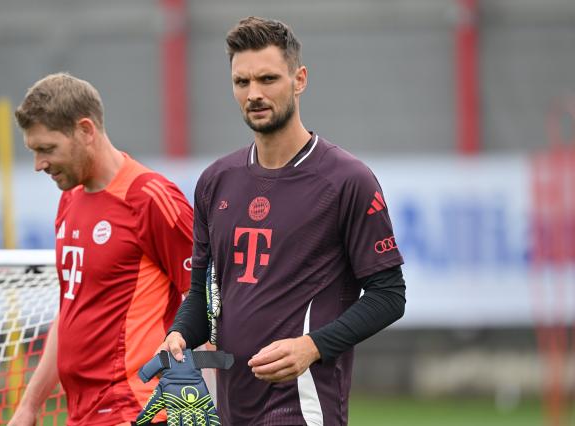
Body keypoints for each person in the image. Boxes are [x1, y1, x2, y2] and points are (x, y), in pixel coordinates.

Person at [159, 17, 407, 425]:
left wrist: (312, 346)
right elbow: (203, 294)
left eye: (268, 79)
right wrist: (179, 334)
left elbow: (388, 295)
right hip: (232, 403)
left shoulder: (346, 180)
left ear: (299, 79)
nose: (254, 94)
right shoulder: (215, 182)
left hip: (304, 404)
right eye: (242, 82)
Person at [9, 73, 193, 426]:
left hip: (138, 409)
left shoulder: (150, 198)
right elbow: (70, 311)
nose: (39, 164)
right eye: (34, 151)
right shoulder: (69, 199)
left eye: (47, 149)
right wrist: (29, 405)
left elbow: (207, 302)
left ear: (86, 130)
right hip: (83, 414)